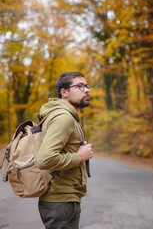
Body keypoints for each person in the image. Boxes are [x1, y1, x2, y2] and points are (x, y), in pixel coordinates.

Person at [36, 71, 93, 229]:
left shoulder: (63, 115)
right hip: (60, 200)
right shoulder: (64, 118)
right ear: (64, 92)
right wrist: (79, 156)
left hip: (61, 200)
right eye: (80, 86)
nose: (86, 90)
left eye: (86, 86)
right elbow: (45, 160)